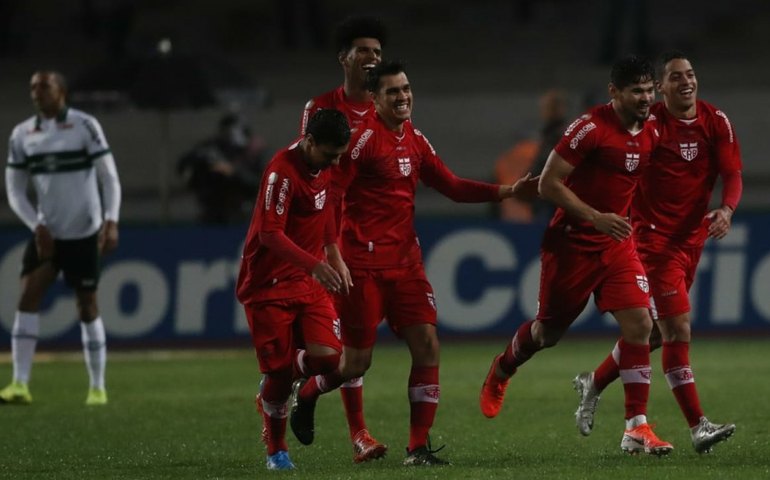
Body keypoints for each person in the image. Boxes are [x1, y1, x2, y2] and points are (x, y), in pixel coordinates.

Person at [289, 60, 537, 466]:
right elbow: (331, 198)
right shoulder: (362, 141)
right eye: (393, 92)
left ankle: (417, 447)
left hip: (406, 265)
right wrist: (332, 252)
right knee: (356, 363)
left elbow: (452, 186)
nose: (403, 96)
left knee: (427, 345)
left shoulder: (415, 139)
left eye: (406, 89)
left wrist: (508, 191)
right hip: (362, 267)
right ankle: (312, 391)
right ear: (374, 98)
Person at [479, 55, 675, 455]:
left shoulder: (653, 130)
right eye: (636, 90)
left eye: (649, 90)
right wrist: (593, 217)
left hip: (616, 242)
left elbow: (634, 183)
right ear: (614, 92)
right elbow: (548, 185)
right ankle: (502, 369)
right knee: (545, 334)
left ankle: (635, 427)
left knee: (642, 326)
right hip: (571, 244)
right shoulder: (589, 128)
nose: (645, 97)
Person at [572, 51, 741, 453]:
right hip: (651, 242)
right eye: (676, 77)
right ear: (661, 87)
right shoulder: (649, 125)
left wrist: (728, 209)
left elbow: (732, 173)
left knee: (650, 337)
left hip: (691, 242)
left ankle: (593, 382)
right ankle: (696, 426)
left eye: (691, 74)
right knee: (677, 330)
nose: (686, 81)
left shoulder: (715, 122)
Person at [235, 109, 352, 471]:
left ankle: (289, 373)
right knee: (279, 377)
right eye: (329, 154)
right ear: (309, 141)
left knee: (332, 360)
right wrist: (315, 264)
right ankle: (277, 451)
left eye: (339, 155)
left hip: (306, 282)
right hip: (268, 285)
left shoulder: (325, 163)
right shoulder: (281, 173)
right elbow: (270, 234)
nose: (335, 161)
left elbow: (328, 207)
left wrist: (332, 252)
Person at [1, 70, 121, 406]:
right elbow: (14, 190)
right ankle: (19, 385)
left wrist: (110, 221)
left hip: (83, 231)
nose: (37, 92)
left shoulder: (85, 126)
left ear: (62, 91)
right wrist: (36, 225)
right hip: (47, 233)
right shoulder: (23, 134)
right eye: (33, 87)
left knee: (87, 305)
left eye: (44, 86)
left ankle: (97, 388)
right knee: (27, 296)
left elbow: (109, 178)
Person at [300, 15, 387, 135]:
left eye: (377, 52)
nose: (373, 57)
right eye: (363, 50)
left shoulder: (390, 108)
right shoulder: (319, 107)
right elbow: (306, 151)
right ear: (343, 58)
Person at [177, 112, 266, 224]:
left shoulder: (250, 155)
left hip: (242, 211)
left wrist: (233, 171)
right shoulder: (210, 149)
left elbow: (257, 184)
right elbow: (186, 168)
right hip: (213, 210)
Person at [494, 89, 568, 222]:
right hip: (541, 200)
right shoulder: (550, 135)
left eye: (548, 107)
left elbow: (546, 165)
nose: (545, 112)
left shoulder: (558, 135)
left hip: (550, 201)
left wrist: (527, 184)